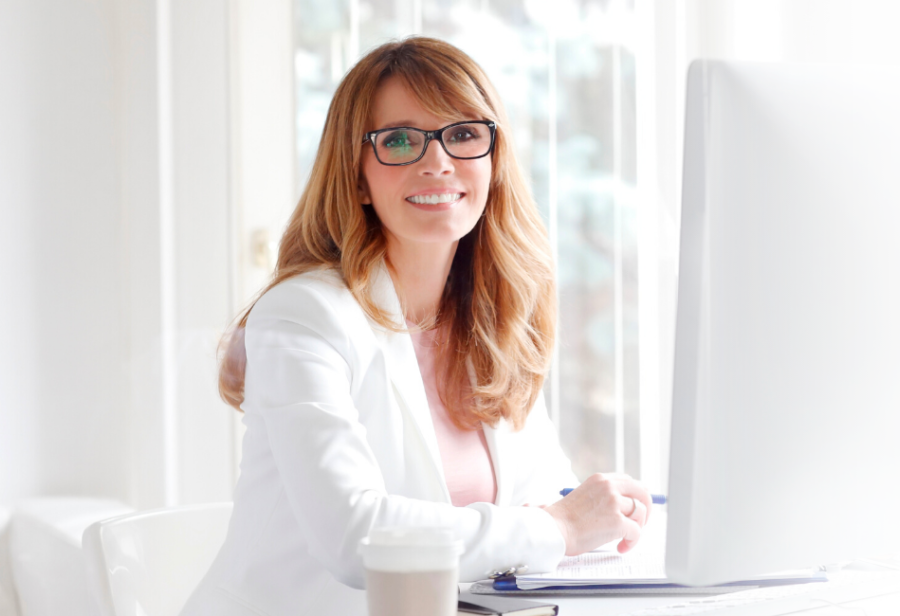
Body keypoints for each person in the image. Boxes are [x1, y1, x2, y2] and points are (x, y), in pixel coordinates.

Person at [180, 37, 653, 616]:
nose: (438, 162)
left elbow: (544, 495)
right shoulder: (303, 315)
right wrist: (561, 528)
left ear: (493, 161)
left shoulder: (494, 318)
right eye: (400, 140)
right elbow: (357, 537)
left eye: (464, 134)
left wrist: (599, 514)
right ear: (356, 178)